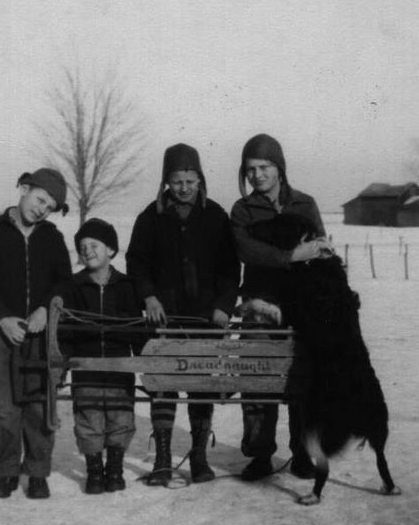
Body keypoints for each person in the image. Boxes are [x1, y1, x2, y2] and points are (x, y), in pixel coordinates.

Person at [126, 143, 240, 485]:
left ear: (200, 180)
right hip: (164, 318)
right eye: (177, 181)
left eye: (190, 180)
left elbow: (230, 268)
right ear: (166, 182)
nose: (184, 188)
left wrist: (223, 305)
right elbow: (136, 261)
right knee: (164, 385)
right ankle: (162, 458)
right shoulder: (151, 217)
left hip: (206, 318)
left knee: (201, 386)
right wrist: (148, 297)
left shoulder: (216, 217)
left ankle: (199, 457)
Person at [230, 134, 332, 482]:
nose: (257, 175)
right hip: (259, 304)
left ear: (279, 167)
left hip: (302, 305)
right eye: (251, 169)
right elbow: (247, 251)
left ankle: (302, 453)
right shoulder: (243, 210)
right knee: (258, 377)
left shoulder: (305, 203)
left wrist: (318, 255)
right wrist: (291, 256)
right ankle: (260, 455)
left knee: (304, 379)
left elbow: (319, 247)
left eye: (264, 167)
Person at [0, 167, 72, 499]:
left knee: (38, 406)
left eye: (49, 206)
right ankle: (5, 472)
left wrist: (46, 307)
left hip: (40, 336)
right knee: (3, 406)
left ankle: (38, 472)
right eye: (40, 199)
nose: (42, 208)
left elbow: (63, 280)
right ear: (25, 188)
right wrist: (2, 318)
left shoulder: (52, 238)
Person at [58, 219, 142, 495]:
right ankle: (95, 470)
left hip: (120, 366)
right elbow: (65, 333)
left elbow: (136, 326)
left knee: (120, 416)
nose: (88, 250)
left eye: (94, 245)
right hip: (87, 366)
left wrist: (144, 359)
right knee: (89, 417)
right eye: (83, 246)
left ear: (111, 250)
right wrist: (64, 364)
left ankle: (115, 468)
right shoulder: (73, 286)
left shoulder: (126, 285)